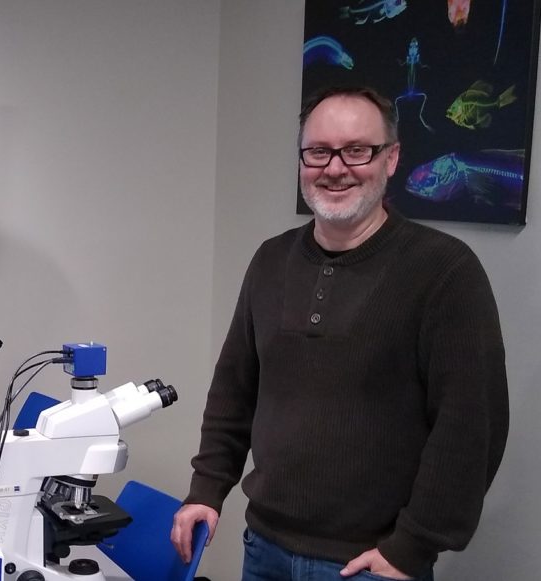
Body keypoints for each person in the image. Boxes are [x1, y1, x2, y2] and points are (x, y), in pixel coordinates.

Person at [171, 86, 508, 580]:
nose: (334, 168)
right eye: (318, 152)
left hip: (370, 564)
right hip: (263, 549)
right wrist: (207, 488)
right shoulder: (271, 260)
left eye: (357, 150)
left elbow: (469, 427)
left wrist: (413, 546)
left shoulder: (444, 271)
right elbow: (234, 391)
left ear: (391, 158)